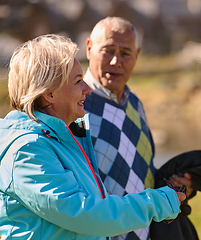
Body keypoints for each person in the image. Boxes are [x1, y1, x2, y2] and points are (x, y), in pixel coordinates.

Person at [0, 34, 186, 240]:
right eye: (78, 81)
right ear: (49, 93)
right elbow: (85, 215)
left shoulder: (62, 137)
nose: (87, 89)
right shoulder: (27, 150)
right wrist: (158, 202)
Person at [83, 17, 194, 240]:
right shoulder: (75, 105)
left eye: (125, 53)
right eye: (107, 50)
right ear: (89, 48)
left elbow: (141, 168)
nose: (116, 61)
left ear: (137, 55)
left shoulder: (134, 104)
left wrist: (171, 185)